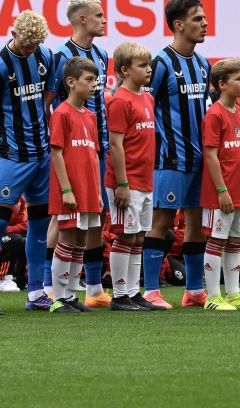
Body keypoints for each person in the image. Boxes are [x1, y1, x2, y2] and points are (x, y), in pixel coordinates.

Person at [0, 10, 55, 312]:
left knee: (39, 223)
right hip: (12, 156)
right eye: (26, 45)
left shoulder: (45, 55)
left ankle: (36, 293)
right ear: (14, 33)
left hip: (42, 155)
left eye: (35, 46)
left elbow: (49, 92)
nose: (30, 50)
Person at [144, 0, 210, 310]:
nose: (205, 23)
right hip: (170, 159)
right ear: (179, 24)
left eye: (204, 17)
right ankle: (150, 291)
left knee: (197, 224)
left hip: (200, 160)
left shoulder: (202, 64)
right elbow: (142, 108)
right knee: (162, 222)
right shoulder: (160, 63)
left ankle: (195, 291)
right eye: (198, 19)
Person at [45, 0, 110, 308]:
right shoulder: (60, 56)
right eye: (99, 15)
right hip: (69, 167)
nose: (105, 20)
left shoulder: (101, 55)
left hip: (92, 159)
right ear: (82, 18)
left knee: (87, 229)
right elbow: (49, 101)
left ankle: (87, 290)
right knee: (65, 229)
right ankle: (53, 291)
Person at [104, 42, 159, 312]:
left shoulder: (147, 97)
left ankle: (134, 293)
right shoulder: (120, 101)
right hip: (126, 182)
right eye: (142, 65)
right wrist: (122, 184)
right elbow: (115, 145)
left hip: (145, 180)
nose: (148, 70)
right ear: (124, 70)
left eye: (148, 64)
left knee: (138, 237)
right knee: (125, 236)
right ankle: (119, 295)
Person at [47, 56, 104, 313]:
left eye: (96, 80)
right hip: (70, 190)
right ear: (71, 82)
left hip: (89, 190)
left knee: (81, 241)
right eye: (89, 80)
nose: (94, 86)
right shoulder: (61, 113)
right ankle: (57, 297)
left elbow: (93, 154)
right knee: (67, 237)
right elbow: (56, 153)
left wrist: (98, 191)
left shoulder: (90, 116)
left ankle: (71, 296)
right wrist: (67, 189)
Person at [200, 58, 240, 312]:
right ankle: (213, 297)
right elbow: (211, 155)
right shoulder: (214, 114)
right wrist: (221, 190)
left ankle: (233, 295)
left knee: (235, 242)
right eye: (239, 79)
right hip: (220, 194)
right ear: (222, 84)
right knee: (216, 241)